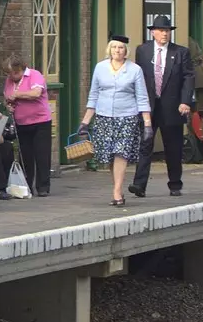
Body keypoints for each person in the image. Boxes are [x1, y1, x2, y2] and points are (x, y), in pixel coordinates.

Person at [81, 35, 152, 206]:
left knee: (121, 152)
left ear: (126, 51)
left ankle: (117, 191)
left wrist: (147, 123)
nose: (117, 51)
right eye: (114, 47)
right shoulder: (100, 68)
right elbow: (94, 95)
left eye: (121, 48)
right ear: (109, 49)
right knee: (110, 155)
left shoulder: (135, 70)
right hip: (104, 117)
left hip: (126, 116)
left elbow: (142, 97)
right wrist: (85, 122)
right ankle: (117, 186)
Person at [131, 14, 196, 198]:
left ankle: (175, 184)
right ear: (153, 33)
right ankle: (139, 184)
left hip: (172, 106)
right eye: (160, 31)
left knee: (173, 147)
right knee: (145, 144)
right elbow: (139, 77)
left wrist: (185, 101)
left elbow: (188, 77)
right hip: (149, 107)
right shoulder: (142, 51)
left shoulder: (180, 52)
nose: (164, 34)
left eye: (167, 31)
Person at [5, 56, 52, 197]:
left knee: (42, 154)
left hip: (40, 121)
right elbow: (8, 96)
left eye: (14, 73)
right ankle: (26, 184)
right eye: (9, 74)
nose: (11, 76)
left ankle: (43, 186)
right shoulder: (9, 81)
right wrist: (9, 105)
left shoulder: (34, 75)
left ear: (20, 69)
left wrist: (18, 95)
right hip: (22, 122)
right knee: (25, 155)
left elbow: (36, 93)